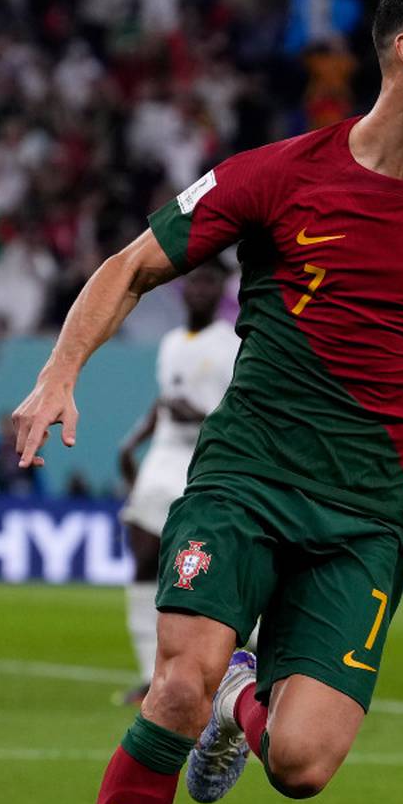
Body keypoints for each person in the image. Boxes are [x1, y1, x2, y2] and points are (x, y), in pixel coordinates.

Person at [10, 0, 403, 804]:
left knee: (301, 764)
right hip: (246, 479)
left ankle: (240, 701)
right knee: (177, 687)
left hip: (369, 513)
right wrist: (60, 372)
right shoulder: (279, 174)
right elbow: (132, 266)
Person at [115, 261, 239, 704]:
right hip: (161, 459)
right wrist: (134, 441)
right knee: (144, 558)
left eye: (210, 281)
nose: (200, 288)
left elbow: (242, 409)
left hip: (206, 460)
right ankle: (148, 673)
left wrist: (200, 416)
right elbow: (165, 401)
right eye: (195, 280)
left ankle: (241, 657)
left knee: (209, 567)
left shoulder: (231, 345)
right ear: (183, 288)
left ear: (222, 290)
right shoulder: (170, 343)